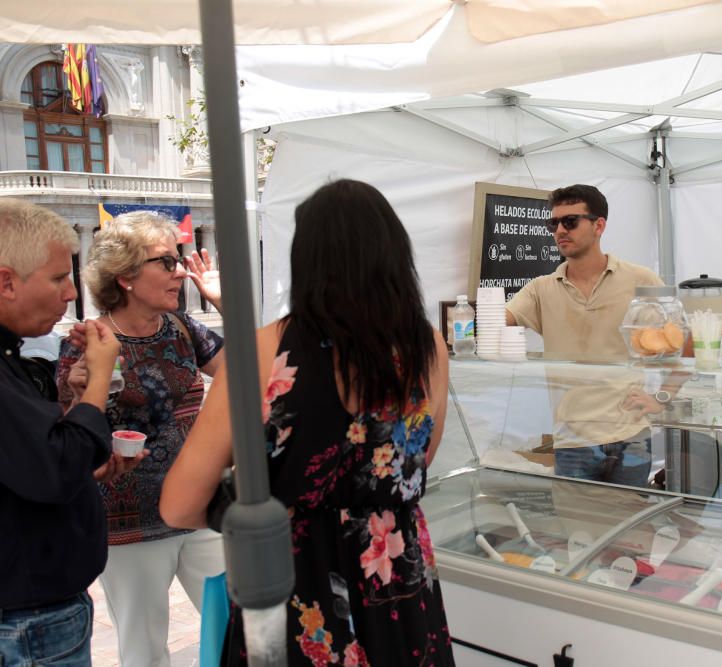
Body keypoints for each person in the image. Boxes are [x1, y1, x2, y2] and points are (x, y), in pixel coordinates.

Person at [160, 179, 455, 666]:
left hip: (294, 585)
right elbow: (417, 462)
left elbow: (179, 505)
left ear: (308, 260)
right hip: (398, 581)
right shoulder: (429, 348)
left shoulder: (261, 351)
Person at [56, 211, 226, 667]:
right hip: (127, 522)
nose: (180, 272)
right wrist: (76, 391)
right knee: (144, 648)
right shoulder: (88, 339)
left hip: (200, 506)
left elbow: (254, 372)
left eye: (179, 259)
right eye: (166, 262)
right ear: (127, 276)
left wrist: (225, 302)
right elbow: (63, 434)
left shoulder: (184, 328)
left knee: (238, 627)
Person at [0, 199, 132, 665]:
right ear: (6, 281)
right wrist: (100, 377)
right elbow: (55, 467)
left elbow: (28, 462)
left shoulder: (14, 359)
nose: (71, 294)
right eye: (58, 278)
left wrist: (79, 403)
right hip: (29, 620)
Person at [505, 184, 664, 486]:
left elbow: (682, 345)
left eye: (570, 221)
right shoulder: (541, 288)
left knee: (629, 528)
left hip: (631, 436)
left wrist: (661, 397)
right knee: (577, 531)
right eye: (553, 223)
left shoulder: (641, 280)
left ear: (599, 225)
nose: (559, 231)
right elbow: (495, 322)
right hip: (572, 440)